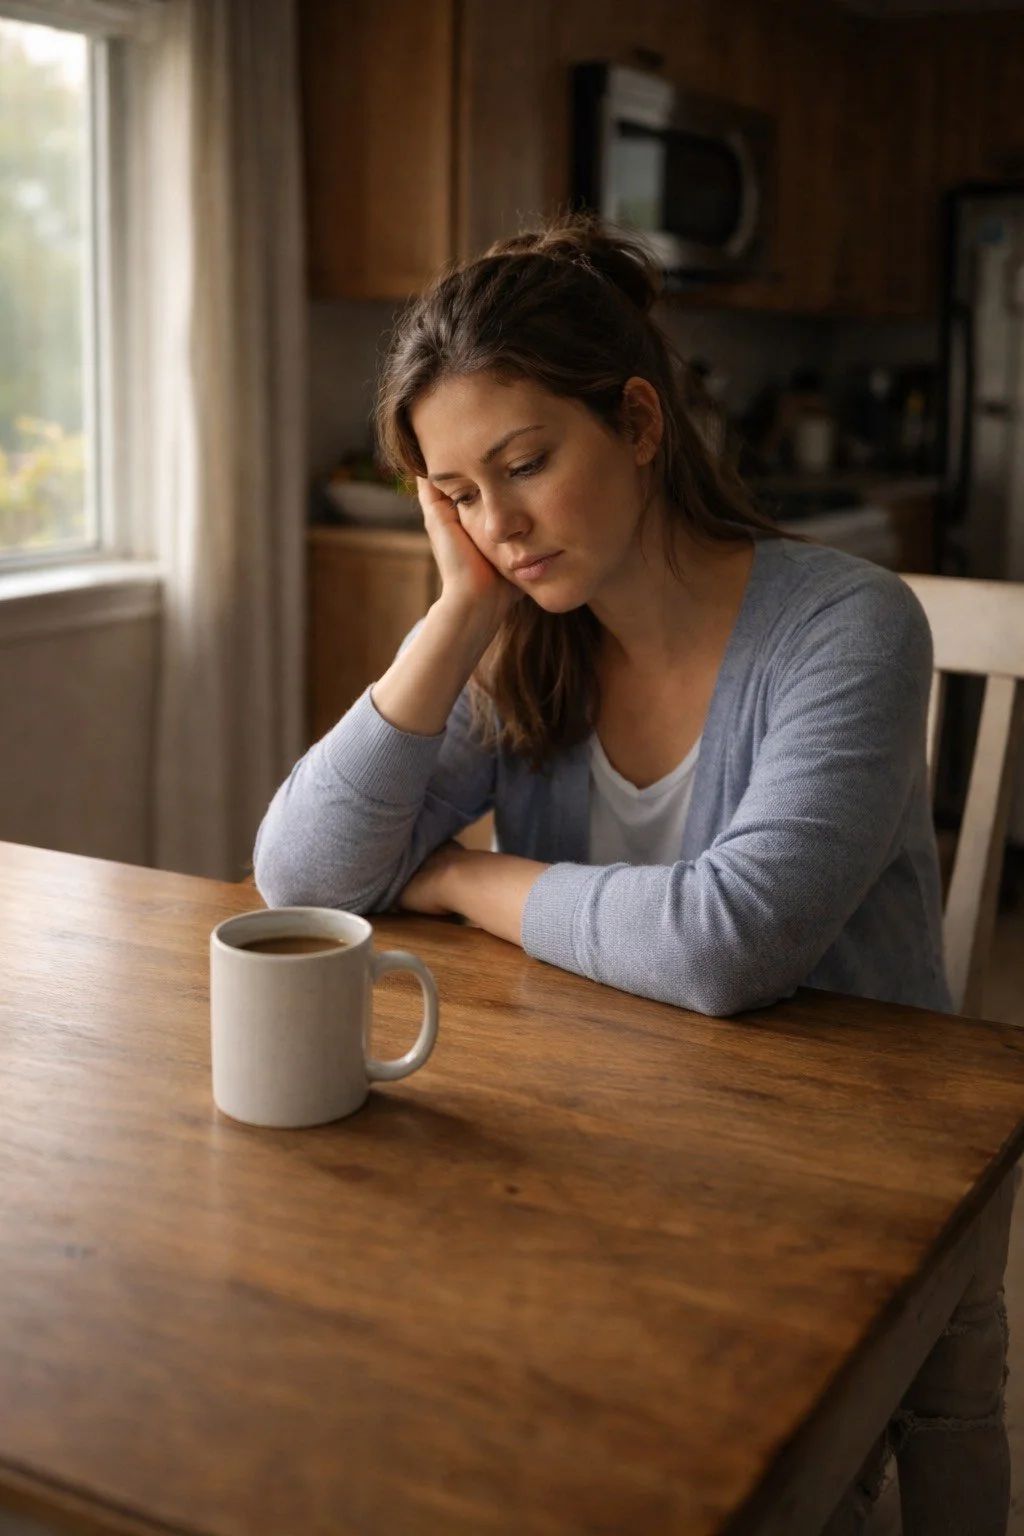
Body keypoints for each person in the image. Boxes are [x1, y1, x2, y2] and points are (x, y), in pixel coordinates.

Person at [254, 217, 1010, 1534]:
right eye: (459, 496)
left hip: (862, 1170)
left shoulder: (847, 626)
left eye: (526, 464)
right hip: (618, 1135)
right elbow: (299, 878)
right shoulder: (525, 647)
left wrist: (465, 884)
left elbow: (730, 942)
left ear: (642, 424)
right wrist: (459, 613)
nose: (502, 523)